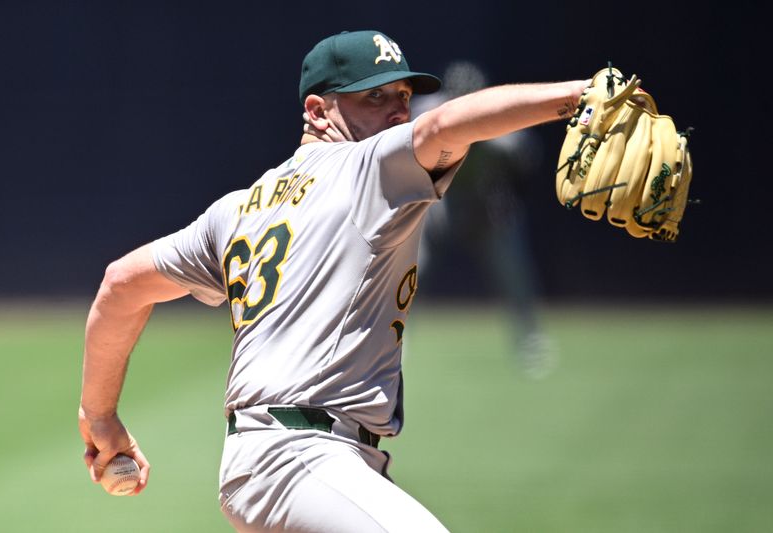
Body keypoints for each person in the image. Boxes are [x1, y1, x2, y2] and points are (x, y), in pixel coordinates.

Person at [78, 29, 587, 532]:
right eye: (376, 96)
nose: (397, 111)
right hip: (300, 460)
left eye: (404, 96)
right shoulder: (367, 168)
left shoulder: (236, 209)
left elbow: (122, 283)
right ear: (319, 112)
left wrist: (99, 416)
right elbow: (446, 125)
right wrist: (579, 97)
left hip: (278, 464)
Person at [412, 60, 557, 379]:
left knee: (514, 274)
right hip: (443, 204)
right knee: (409, 267)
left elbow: (525, 169)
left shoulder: (503, 133)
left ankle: (530, 341)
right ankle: (394, 339)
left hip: (486, 207)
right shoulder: (427, 115)